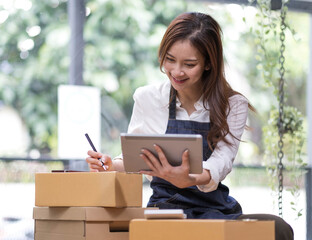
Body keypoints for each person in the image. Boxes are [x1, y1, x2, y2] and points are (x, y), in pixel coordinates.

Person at [86, 12, 293, 240]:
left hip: (214, 209)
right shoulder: (147, 98)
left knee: (278, 228)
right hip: (164, 210)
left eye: (189, 64)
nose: (176, 72)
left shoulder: (233, 104)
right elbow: (138, 158)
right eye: (170, 59)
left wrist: (192, 179)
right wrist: (110, 164)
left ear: (208, 64)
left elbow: (222, 161)